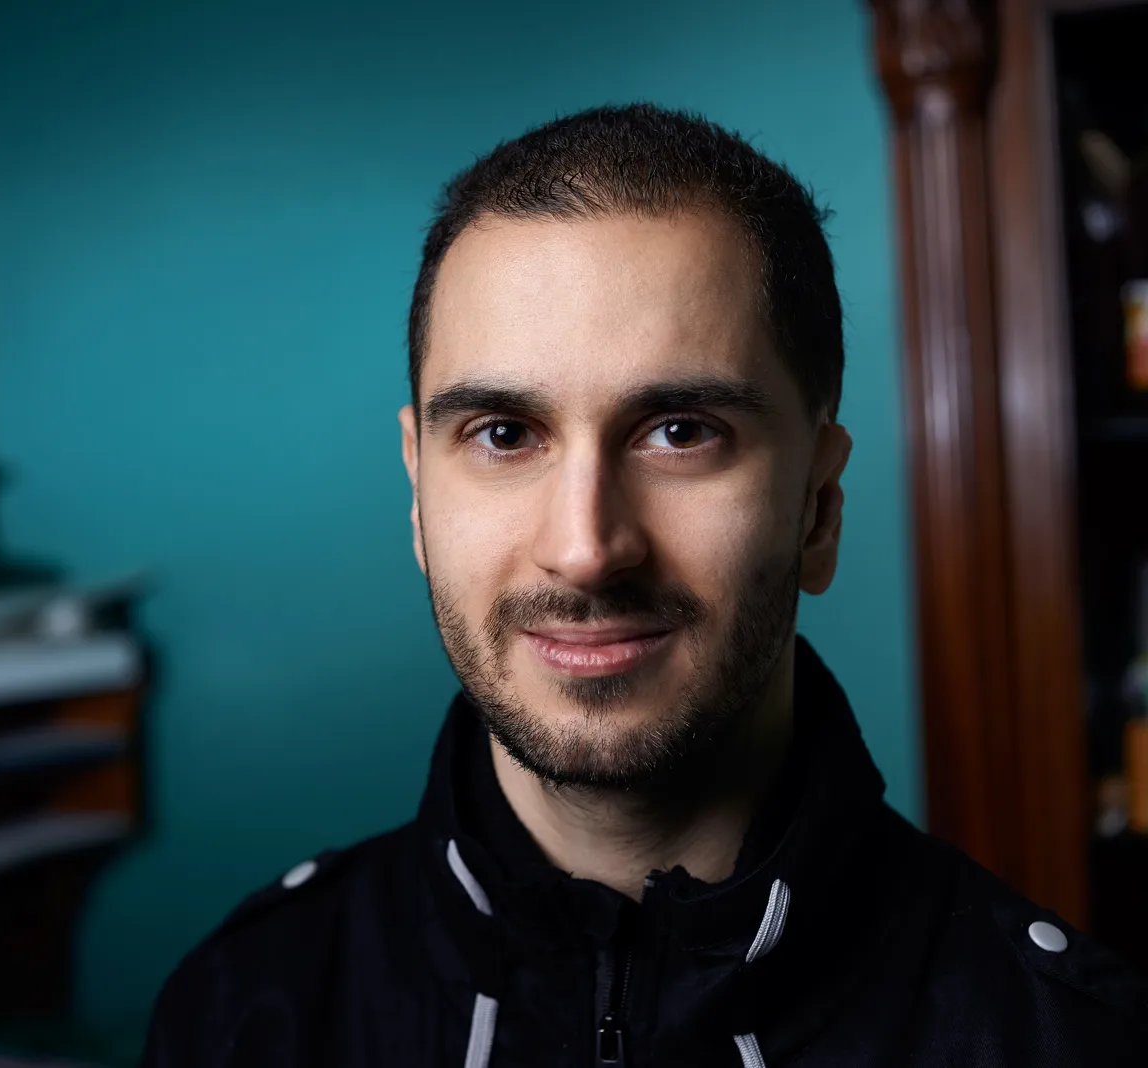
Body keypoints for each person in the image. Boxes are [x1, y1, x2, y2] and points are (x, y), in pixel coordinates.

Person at [141, 104, 1147, 1067]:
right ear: (418, 494)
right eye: (503, 434)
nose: (585, 548)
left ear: (817, 507)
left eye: (679, 432)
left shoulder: (1066, 1042)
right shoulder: (242, 1014)